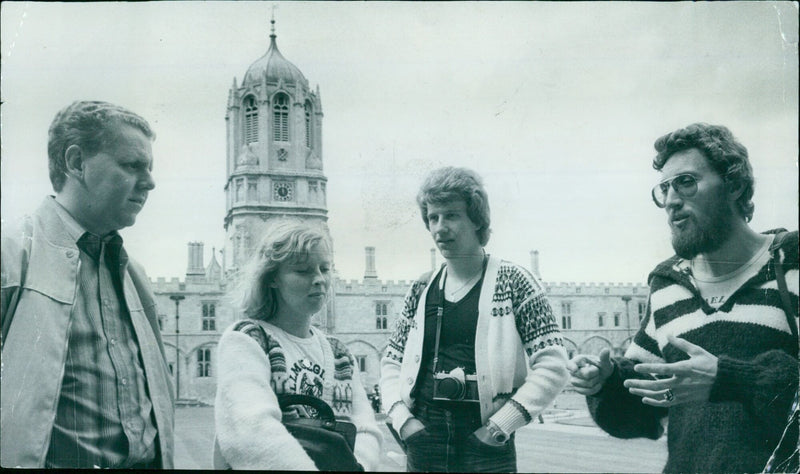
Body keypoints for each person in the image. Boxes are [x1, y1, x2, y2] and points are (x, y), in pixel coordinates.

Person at [568, 123, 798, 473]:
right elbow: (645, 408)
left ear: (734, 186)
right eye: (664, 189)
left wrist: (729, 379)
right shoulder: (667, 285)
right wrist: (605, 384)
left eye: (686, 183)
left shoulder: (792, 264)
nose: (671, 201)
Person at [0, 101, 174, 468]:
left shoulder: (134, 275)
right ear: (77, 162)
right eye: (132, 165)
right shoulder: (12, 255)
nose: (151, 182)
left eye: (150, 168)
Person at [380, 167, 569, 472]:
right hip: (424, 433)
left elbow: (554, 364)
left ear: (477, 219)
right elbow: (391, 361)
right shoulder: (421, 288)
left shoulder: (515, 281)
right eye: (433, 217)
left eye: (451, 215)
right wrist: (404, 422)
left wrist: (500, 426)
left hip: (485, 437)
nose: (440, 228)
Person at [213, 220, 382, 470]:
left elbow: (366, 429)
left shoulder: (339, 354)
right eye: (303, 271)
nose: (319, 280)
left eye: (325, 269)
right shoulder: (247, 339)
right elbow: (251, 432)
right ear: (272, 278)